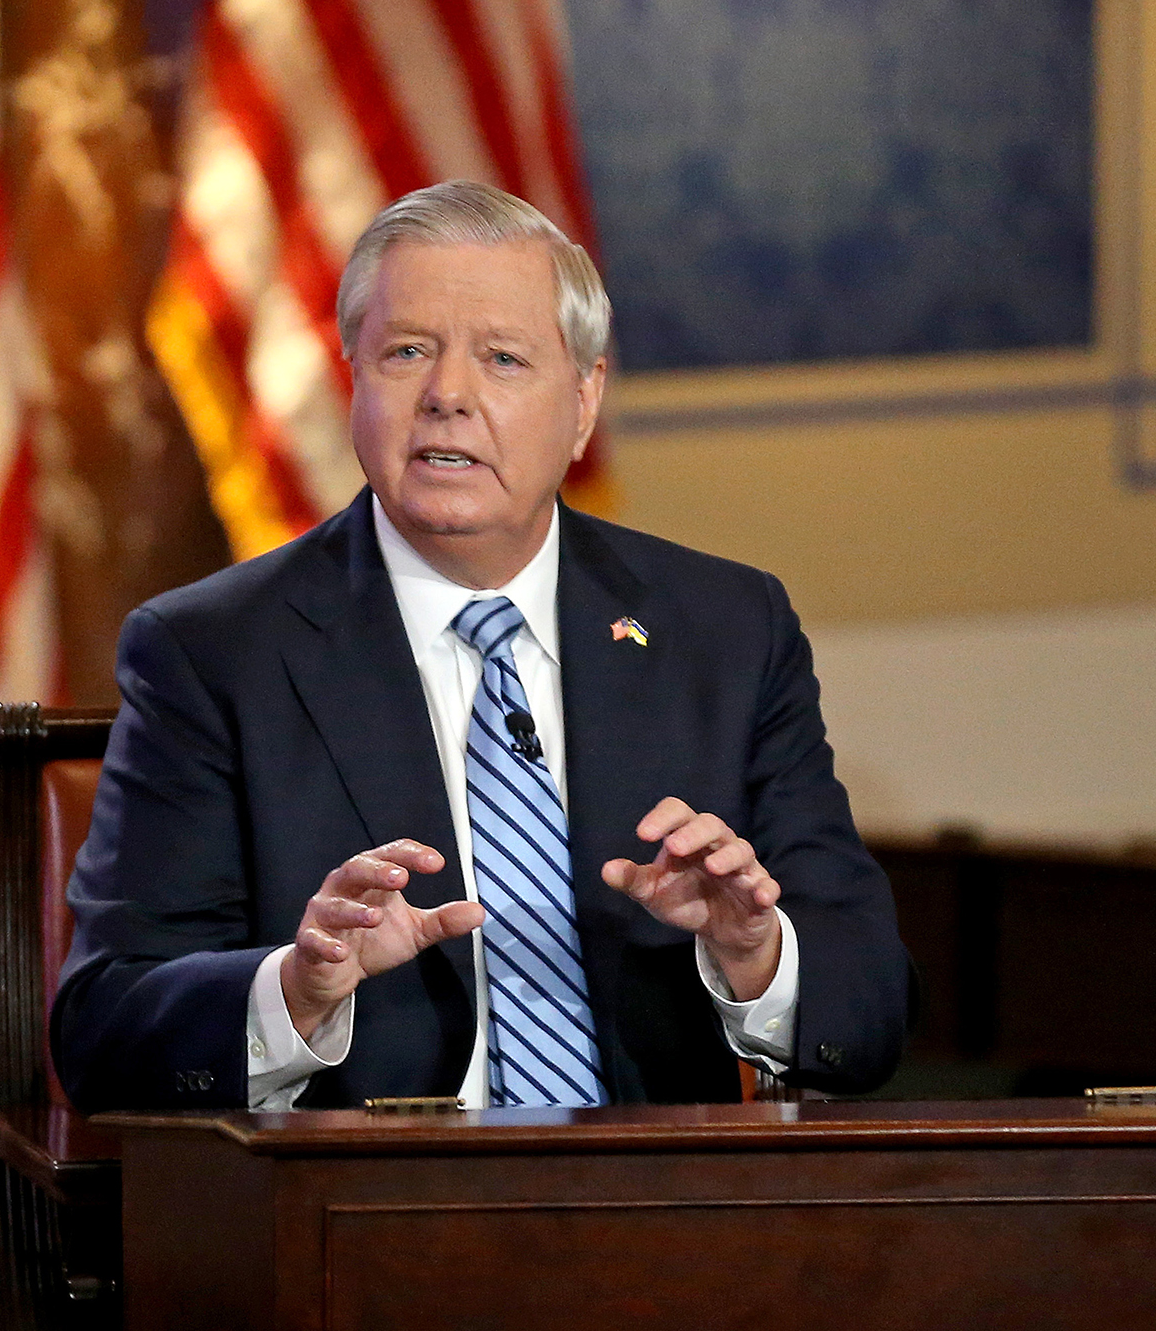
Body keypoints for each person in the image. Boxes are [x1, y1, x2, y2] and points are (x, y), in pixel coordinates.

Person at [51, 181, 910, 1113]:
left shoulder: (727, 630)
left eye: (503, 359)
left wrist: (757, 955)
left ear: (584, 405)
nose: (447, 396)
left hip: (662, 1216)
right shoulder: (211, 654)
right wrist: (294, 993)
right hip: (362, 1224)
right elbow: (105, 1029)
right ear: (354, 382)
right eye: (407, 352)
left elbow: (869, 1011)